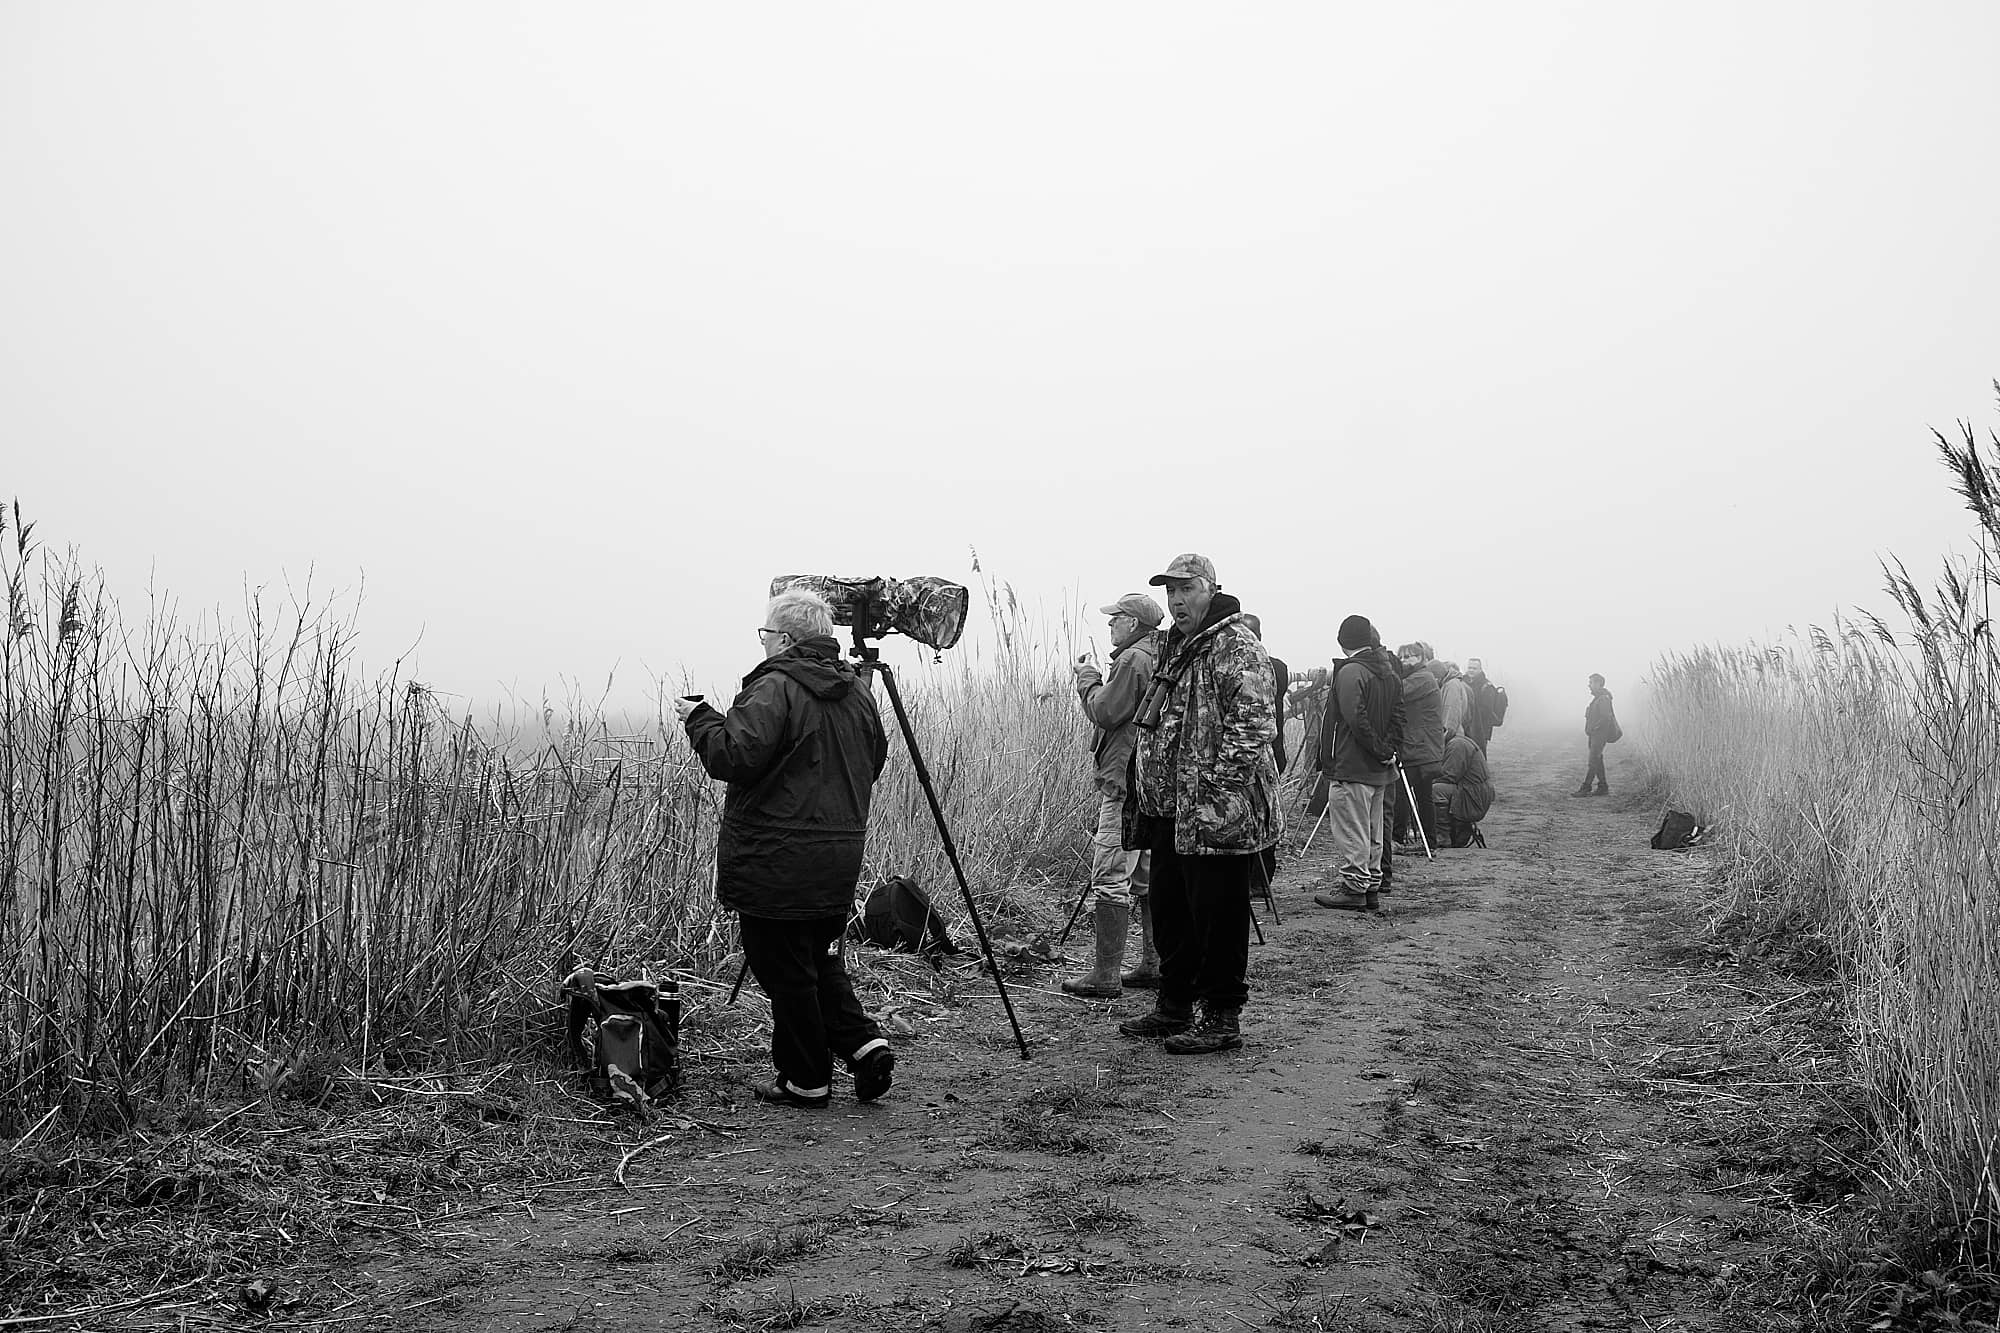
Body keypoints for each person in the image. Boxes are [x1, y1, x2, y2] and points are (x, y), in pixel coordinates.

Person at [676, 588, 894, 1109]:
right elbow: (875, 759)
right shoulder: (857, 692)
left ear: (787, 638)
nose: (764, 642)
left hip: (776, 855)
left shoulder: (775, 687)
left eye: (766, 634)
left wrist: (699, 718)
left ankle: (805, 1079)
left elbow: (733, 755)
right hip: (839, 852)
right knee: (814, 956)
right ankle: (864, 1046)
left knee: (780, 965)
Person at [1118, 553, 1280, 1055]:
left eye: (1186, 589)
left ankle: (1221, 1016)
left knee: (1218, 915)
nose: (1176, 600)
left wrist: (1216, 792)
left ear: (1211, 588)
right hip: (1169, 811)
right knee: (1170, 910)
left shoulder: (1237, 646)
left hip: (1216, 814)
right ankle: (1174, 1005)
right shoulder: (1177, 646)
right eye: (1170, 592)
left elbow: (1253, 728)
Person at [1062, 593, 1164, 998]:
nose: (1110, 625)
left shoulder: (1132, 660)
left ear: (1134, 624)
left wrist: (1086, 678)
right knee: (1146, 876)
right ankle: (1153, 963)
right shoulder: (1157, 654)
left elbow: (1105, 711)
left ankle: (1106, 974)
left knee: (1109, 875)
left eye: (1116, 618)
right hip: (1147, 781)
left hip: (1123, 781)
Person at [1313, 615, 1401, 912]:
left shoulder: (1351, 672)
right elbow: (1398, 718)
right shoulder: (1389, 673)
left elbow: (1355, 719)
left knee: (1353, 830)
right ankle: (1371, 885)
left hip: (1352, 765)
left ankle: (1354, 887)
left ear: (1342, 640)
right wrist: (1389, 750)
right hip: (1379, 769)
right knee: (1373, 832)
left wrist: (1378, 749)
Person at [1240, 614, 1288, 894]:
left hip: (1263, 750)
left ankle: (1256, 879)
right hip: (1273, 749)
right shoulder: (1278, 667)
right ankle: (1260, 879)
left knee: (1258, 814)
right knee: (1265, 813)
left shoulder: (1268, 667)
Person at [1393, 643, 1445, 854]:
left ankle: (1397, 838)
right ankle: (1428, 840)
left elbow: (1397, 693)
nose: (1405, 661)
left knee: (1402, 792)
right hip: (1423, 746)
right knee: (1423, 796)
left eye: (1410, 657)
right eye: (1402, 657)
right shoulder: (1421, 677)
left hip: (1419, 747)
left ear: (1421, 658)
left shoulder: (1423, 678)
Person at [1434, 730, 1494, 845]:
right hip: (1472, 791)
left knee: (1436, 790)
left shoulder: (1456, 745)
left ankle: (1442, 836)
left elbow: (1448, 775)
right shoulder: (1457, 741)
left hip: (1473, 795)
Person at [1576, 673, 1619, 796]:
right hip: (1596, 735)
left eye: (1591, 683)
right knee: (1598, 760)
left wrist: (1595, 729)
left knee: (1593, 761)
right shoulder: (1599, 698)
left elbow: (1606, 717)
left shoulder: (1603, 698)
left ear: (1598, 683)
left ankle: (1586, 787)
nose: (1589, 685)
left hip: (1599, 735)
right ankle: (1603, 787)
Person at [1464, 657, 1503, 755]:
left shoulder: (1487, 687)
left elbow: (1487, 711)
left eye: (1474, 668)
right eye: (1469, 667)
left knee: (1479, 755)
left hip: (1481, 728)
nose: (1471, 670)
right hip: (1466, 726)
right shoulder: (1462, 681)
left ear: (1480, 669)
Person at [1430, 658, 1474, 741]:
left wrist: (1441, 742)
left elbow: (1450, 721)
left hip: (1451, 740)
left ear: (1436, 678)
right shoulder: (1452, 684)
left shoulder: (1451, 687)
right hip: (1454, 737)